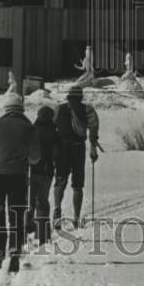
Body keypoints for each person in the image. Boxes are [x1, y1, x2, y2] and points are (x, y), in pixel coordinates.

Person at [0, 93, 40, 272]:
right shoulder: (28, 128)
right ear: (21, 109)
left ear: (6, 110)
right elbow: (36, 157)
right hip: (18, 177)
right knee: (16, 214)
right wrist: (27, 158)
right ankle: (14, 251)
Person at [53, 86, 99, 229]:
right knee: (78, 185)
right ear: (80, 97)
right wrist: (93, 149)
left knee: (60, 180)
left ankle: (57, 209)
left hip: (62, 149)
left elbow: (52, 128)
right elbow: (93, 129)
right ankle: (76, 217)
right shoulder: (88, 109)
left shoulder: (59, 109)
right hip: (78, 148)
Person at [27, 104, 59, 246]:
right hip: (47, 171)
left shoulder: (32, 131)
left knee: (30, 200)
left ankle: (26, 230)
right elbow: (57, 154)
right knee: (42, 201)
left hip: (31, 169)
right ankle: (42, 235)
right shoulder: (55, 133)